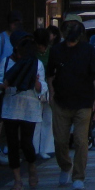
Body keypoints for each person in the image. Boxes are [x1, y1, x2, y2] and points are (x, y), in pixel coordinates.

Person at [46, 20, 95, 189]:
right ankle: (65, 166)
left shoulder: (88, 50)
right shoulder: (56, 50)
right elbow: (50, 74)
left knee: (80, 140)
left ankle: (79, 176)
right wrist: (51, 92)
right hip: (61, 100)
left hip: (84, 101)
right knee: (60, 140)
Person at [0, 30, 47, 190]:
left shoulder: (36, 63)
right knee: (12, 143)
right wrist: (2, 85)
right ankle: (17, 179)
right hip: (10, 106)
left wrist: (36, 83)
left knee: (26, 142)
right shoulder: (6, 62)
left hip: (30, 107)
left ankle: (32, 166)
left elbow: (42, 88)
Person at [0, 11, 22, 159]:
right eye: (13, 23)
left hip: (16, 81)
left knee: (15, 114)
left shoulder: (20, 39)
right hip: (3, 80)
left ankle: (10, 144)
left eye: (17, 23)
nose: (15, 25)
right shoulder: (0, 38)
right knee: (0, 116)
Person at [32, 27, 55, 160]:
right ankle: (34, 149)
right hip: (36, 88)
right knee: (35, 119)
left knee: (48, 119)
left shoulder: (52, 52)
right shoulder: (31, 53)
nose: (40, 47)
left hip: (49, 87)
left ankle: (46, 149)